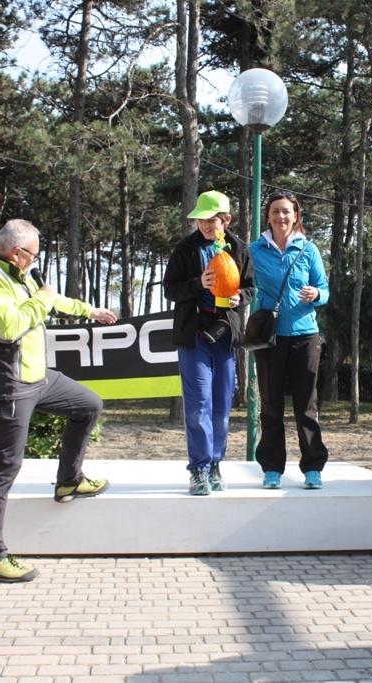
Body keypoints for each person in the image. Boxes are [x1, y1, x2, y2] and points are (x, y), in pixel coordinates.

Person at [0, 219, 118, 583]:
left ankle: (69, 481)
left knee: (88, 405)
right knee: (4, 469)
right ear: (18, 253)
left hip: (38, 378)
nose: (36, 260)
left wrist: (90, 311)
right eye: (34, 254)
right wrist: (43, 299)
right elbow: (9, 327)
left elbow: (51, 296)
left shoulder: (18, 274)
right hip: (8, 384)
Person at [162, 191, 255, 496]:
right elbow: (170, 289)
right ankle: (199, 468)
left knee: (222, 402)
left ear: (226, 220)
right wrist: (197, 284)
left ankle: (215, 463)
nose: (204, 224)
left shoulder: (239, 249)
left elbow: (250, 287)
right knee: (199, 401)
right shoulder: (185, 248)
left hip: (224, 334)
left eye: (211, 219)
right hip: (194, 336)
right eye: (200, 219)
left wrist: (241, 298)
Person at [249, 190, 330, 490]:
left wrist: (316, 293)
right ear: (268, 217)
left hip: (305, 336)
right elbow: (242, 284)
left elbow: (325, 289)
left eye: (286, 211)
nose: (280, 216)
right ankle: (272, 468)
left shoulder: (308, 249)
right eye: (275, 211)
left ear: (296, 216)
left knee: (306, 406)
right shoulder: (254, 250)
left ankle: (313, 467)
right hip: (269, 338)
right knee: (270, 406)